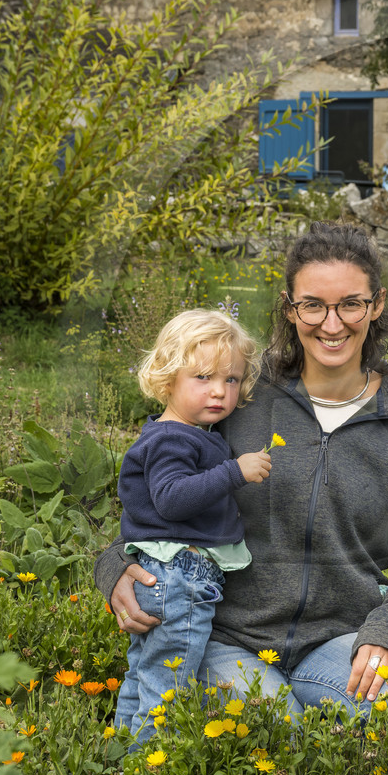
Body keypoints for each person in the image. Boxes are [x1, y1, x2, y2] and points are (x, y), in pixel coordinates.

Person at [95, 223, 388, 720]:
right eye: (313, 305)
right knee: (273, 726)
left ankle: (305, 706)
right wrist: (114, 565)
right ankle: (282, 714)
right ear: (290, 307)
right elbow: (157, 485)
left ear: (376, 304)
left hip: (337, 640)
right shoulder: (239, 392)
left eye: (350, 303)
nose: (332, 324)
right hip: (226, 636)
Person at [114, 309, 274, 743]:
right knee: (167, 684)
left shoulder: (189, 432)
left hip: (166, 575)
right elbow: (172, 499)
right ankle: (147, 768)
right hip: (180, 577)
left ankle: (116, 755)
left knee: (143, 673)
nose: (220, 392)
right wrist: (234, 472)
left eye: (232, 380)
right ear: (167, 380)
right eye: (203, 378)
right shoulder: (174, 438)